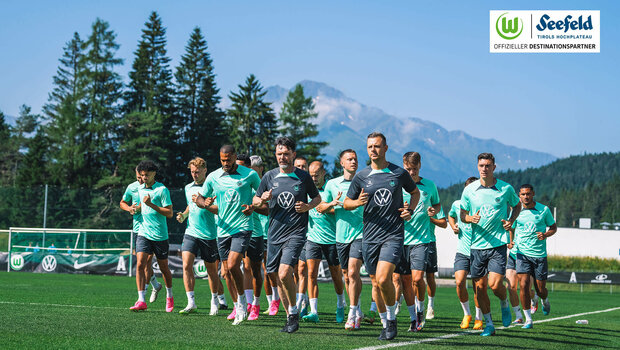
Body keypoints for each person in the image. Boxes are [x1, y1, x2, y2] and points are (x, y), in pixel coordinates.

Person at [344, 132, 420, 341]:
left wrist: (410, 211)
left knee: (385, 277)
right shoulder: (361, 176)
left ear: (385, 148)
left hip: (393, 235)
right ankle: (386, 322)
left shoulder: (398, 173)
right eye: (370, 147)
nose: (373, 150)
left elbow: (415, 193)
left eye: (377, 146)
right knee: (376, 283)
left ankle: (392, 320)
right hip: (369, 237)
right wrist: (357, 202)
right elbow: (346, 203)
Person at [253, 137, 321, 333]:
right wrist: (262, 198)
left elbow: (317, 197)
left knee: (284, 273)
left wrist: (308, 206)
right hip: (274, 233)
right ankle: (291, 315)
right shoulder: (268, 176)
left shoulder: (303, 177)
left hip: (296, 232)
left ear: (293, 154)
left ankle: (294, 312)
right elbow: (256, 201)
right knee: (275, 275)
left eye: (286, 153)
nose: (282, 157)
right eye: (279, 154)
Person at [193, 145, 261, 325]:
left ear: (234, 158)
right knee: (226, 272)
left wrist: (253, 206)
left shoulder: (250, 175)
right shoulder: (213, 177)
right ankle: (238, 305)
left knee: (232, 265)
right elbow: (200, 198)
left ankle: (243, 302)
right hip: (222, 229)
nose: (225, 163)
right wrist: (204, 202)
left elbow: (261, 197)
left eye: (228, 160)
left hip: (243, 227)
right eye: (222, 160)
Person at [460, 153, 521, 336]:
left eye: (487, 165)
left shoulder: (505, 188)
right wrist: (470, 218)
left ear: (494, 167)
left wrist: (511, 220)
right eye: (481, 165)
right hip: (476, 245)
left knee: (494, 285)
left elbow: (516, 206)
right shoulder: (469, 190)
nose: (484, 169)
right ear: (477, 167)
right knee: (480, 288)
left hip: (497, 244)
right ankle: (489, 324)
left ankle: (504, 303)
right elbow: (462, 214)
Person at [399, 152, 441, 332]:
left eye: (414, 169)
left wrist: (434, 210)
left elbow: (438, 204)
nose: (411, 173)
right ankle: (412, 317)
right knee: (405, 281)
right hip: (400, 240)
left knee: (417, 279)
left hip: (421, 240)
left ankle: (421, 310)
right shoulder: (398, 185)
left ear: (420, 166)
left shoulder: (429, 185)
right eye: (408, 169)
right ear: (403, 167)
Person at [324, 149, 366, 330]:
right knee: (348, 276)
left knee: (353, 271)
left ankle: (352, 314)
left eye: (355, 159)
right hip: (341, 236)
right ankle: (357, 308)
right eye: (349, 159)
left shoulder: (365, 181)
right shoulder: (332, 184)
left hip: (361, 234)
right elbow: (321, 207)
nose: (353, 162)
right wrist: (332, 204)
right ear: (342, 163)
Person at [301, 161, 346, 324]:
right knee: (311, 274)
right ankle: (313, 311)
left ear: (323, 173)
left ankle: (340, 304)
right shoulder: (307, 189)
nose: (313, 178)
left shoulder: (332, 187)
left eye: (316, 175)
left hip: (332, 239)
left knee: (336, 275)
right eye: (311, 175)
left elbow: (340, 209)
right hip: (313, 238)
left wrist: (327, 207)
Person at [176, 157, 220, 315]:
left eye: (197, 172)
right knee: (186, 265)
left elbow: (218, 208)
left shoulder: (213, 187)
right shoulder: (188, 187)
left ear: (205, 171)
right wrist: (184, 216)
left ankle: (214, 300)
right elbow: (190, 205)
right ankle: (191, 302)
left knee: (211, 270)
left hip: (209, 234)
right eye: (192, 172)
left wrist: (204, 203)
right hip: (191, 232)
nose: (194, 174)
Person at [129, 160, 174, 312]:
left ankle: (169, 295)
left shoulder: (162, 190)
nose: (144, 178)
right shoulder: (140, 189)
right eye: (142, 176)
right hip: (143, 232)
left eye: (146, 175)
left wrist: (151, 205)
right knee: (140, 263)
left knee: (164, 268)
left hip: (160, 235)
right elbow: (143, 207)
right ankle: (141, 300)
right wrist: (136, 209)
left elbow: (169, 213)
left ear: (154, 173)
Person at [510, 184, 557, 329]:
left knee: (540, 290)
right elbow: (511, 226)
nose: (525, 197)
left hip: (539, 256)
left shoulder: (544, 210)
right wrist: (510, 240)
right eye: (523, 194)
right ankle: (528, 319)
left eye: (528, 194)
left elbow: (553, 227)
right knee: (523, 285)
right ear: (519, 195)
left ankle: (544, 300)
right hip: (522, 253)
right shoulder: (516, 210)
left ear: (533, 194)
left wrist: (545, 235)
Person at [120, 167, 162, 303]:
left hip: (151, 228)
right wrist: (130, 208)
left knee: (146, 262)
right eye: (138, 177)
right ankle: (155, 285)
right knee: (142, 264)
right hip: (138, 229)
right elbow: (122, 203)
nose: (141, 179)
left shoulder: (155, 188)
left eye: (143, 176)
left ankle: (142, 297)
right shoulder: (131, 187)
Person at [448, 176, 483, 330]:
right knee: (460, 282)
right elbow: (451, 215)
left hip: (479, 250)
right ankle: (467, 313)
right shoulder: (457, 205)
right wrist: (453, 226)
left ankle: (478, 317)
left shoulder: (483, 205)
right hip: (462, 251)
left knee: (478, 287)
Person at [235, 154, 266, 321]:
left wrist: (253, 207)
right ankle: (242, 304)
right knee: (236, 269)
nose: (237, 169)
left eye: (240, 166)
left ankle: (256, 303)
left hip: (255, 233)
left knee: (255, 270)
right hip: (236, 233)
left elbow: (267, 209)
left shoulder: (256, 186)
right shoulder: (232, 184)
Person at [250, 155, 282, 316]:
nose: (251, 173)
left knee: (270, 269)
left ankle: (276, 299)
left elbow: (270, 209)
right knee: (256, 269)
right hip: (254, 233)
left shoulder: (270, 183)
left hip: (270, 232)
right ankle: (268, 302)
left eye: (254, 170)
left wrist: (253, 207)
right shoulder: (249, 186)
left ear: (261, 169)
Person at [293, 156, 310, 317]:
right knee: (292, 271)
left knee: (303, 269)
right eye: (298, 166)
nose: (301, 169)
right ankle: (301, 298)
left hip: (309, 235)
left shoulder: (310, 186)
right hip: (291, 233)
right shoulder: (289, 185)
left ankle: (301, 303)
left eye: (304, 166)